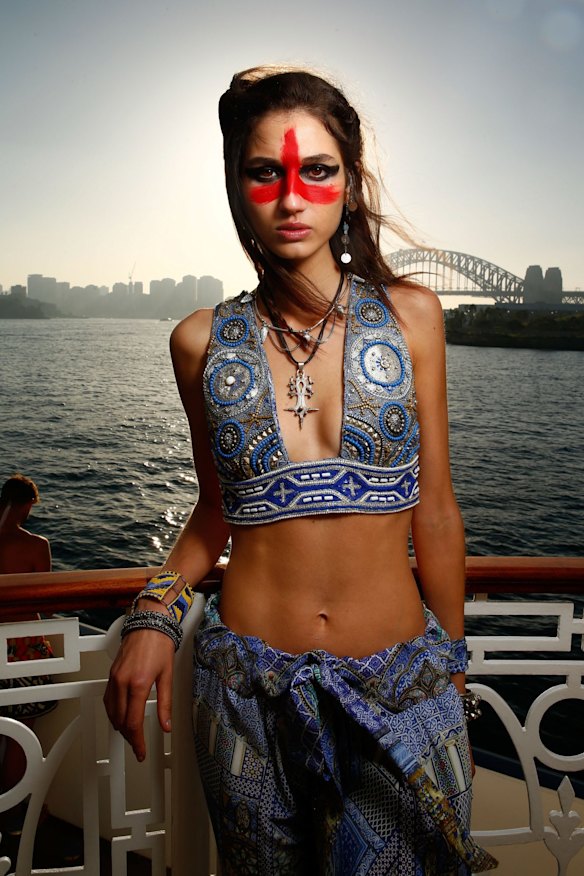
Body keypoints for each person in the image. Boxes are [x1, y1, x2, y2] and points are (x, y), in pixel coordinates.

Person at [104, 67, 497, 874]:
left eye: (316, 170)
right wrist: (154, 614)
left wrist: (451, 668)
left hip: (403, 688)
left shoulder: (413, 317)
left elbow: (436, 511)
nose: (290, 198)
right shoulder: (199, 342)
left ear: (349, 185)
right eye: (264, 173)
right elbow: (212, 514)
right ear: (237, 188)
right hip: (243, 693)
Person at [0, 474, 56, 834]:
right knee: (20, 730)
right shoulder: (36, 545)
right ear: (26, 505)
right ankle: (10, 809)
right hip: (21, 647)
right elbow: (46, 606)